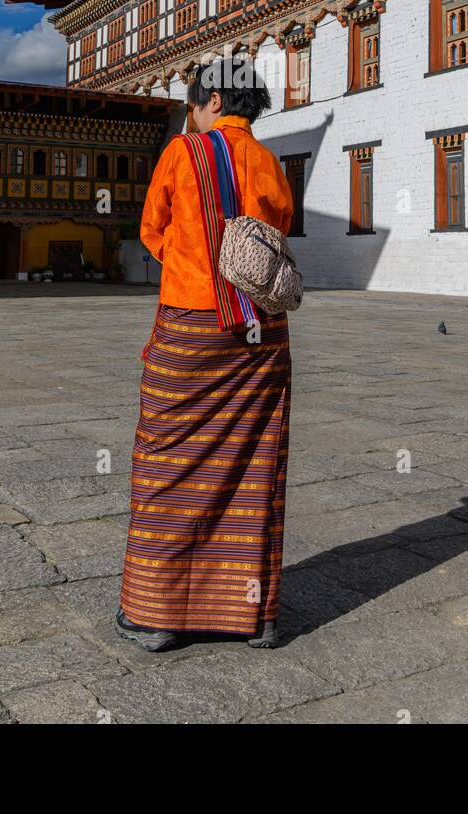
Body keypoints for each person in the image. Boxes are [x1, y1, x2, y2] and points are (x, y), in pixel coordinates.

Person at [116, 60, 294, 652]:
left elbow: (151, 228)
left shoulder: (182, 152)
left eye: (193, 104)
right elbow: (278, 230)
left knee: (169, 463)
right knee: (255, 463)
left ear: (212, 100)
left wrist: (194, 270)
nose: (191, 115)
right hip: (260, 329)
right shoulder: (269, 161)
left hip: (192, 326)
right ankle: (256, 617)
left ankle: (160, 614)